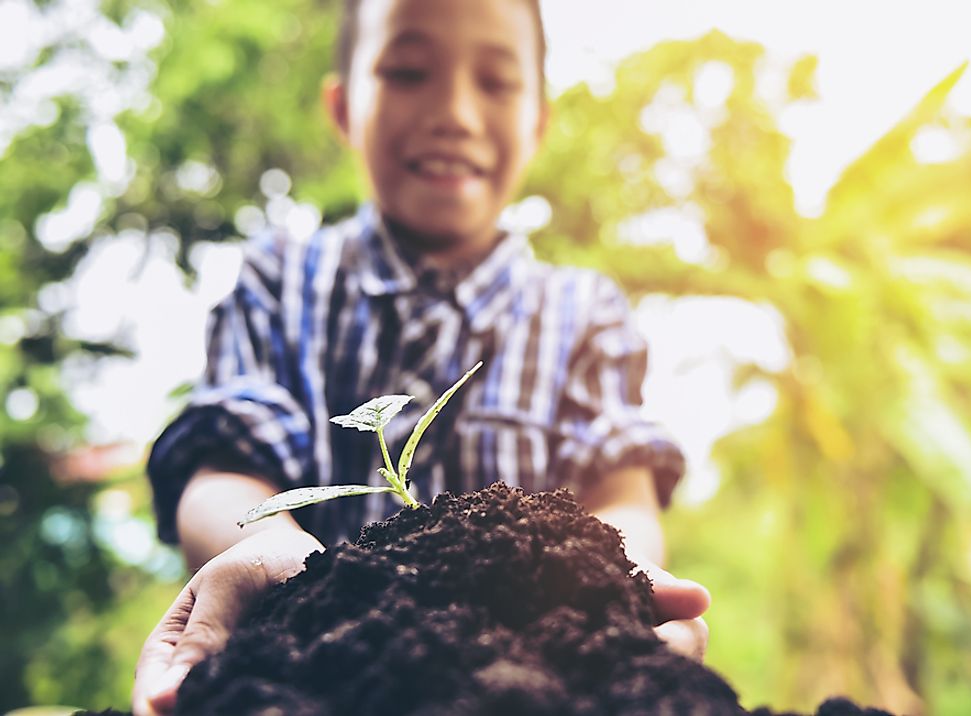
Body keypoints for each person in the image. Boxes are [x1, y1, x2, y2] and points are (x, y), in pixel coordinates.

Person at [131, 0, 710, 713]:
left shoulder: (583, 313)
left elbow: (623, 497)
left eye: (495, 82)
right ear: (342, 109)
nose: (455, 112)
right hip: (322, 678)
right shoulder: (282, 281)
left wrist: (612, 590)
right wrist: (272, 560)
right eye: (408, 72)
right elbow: (227, 467)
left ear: (538, 122)